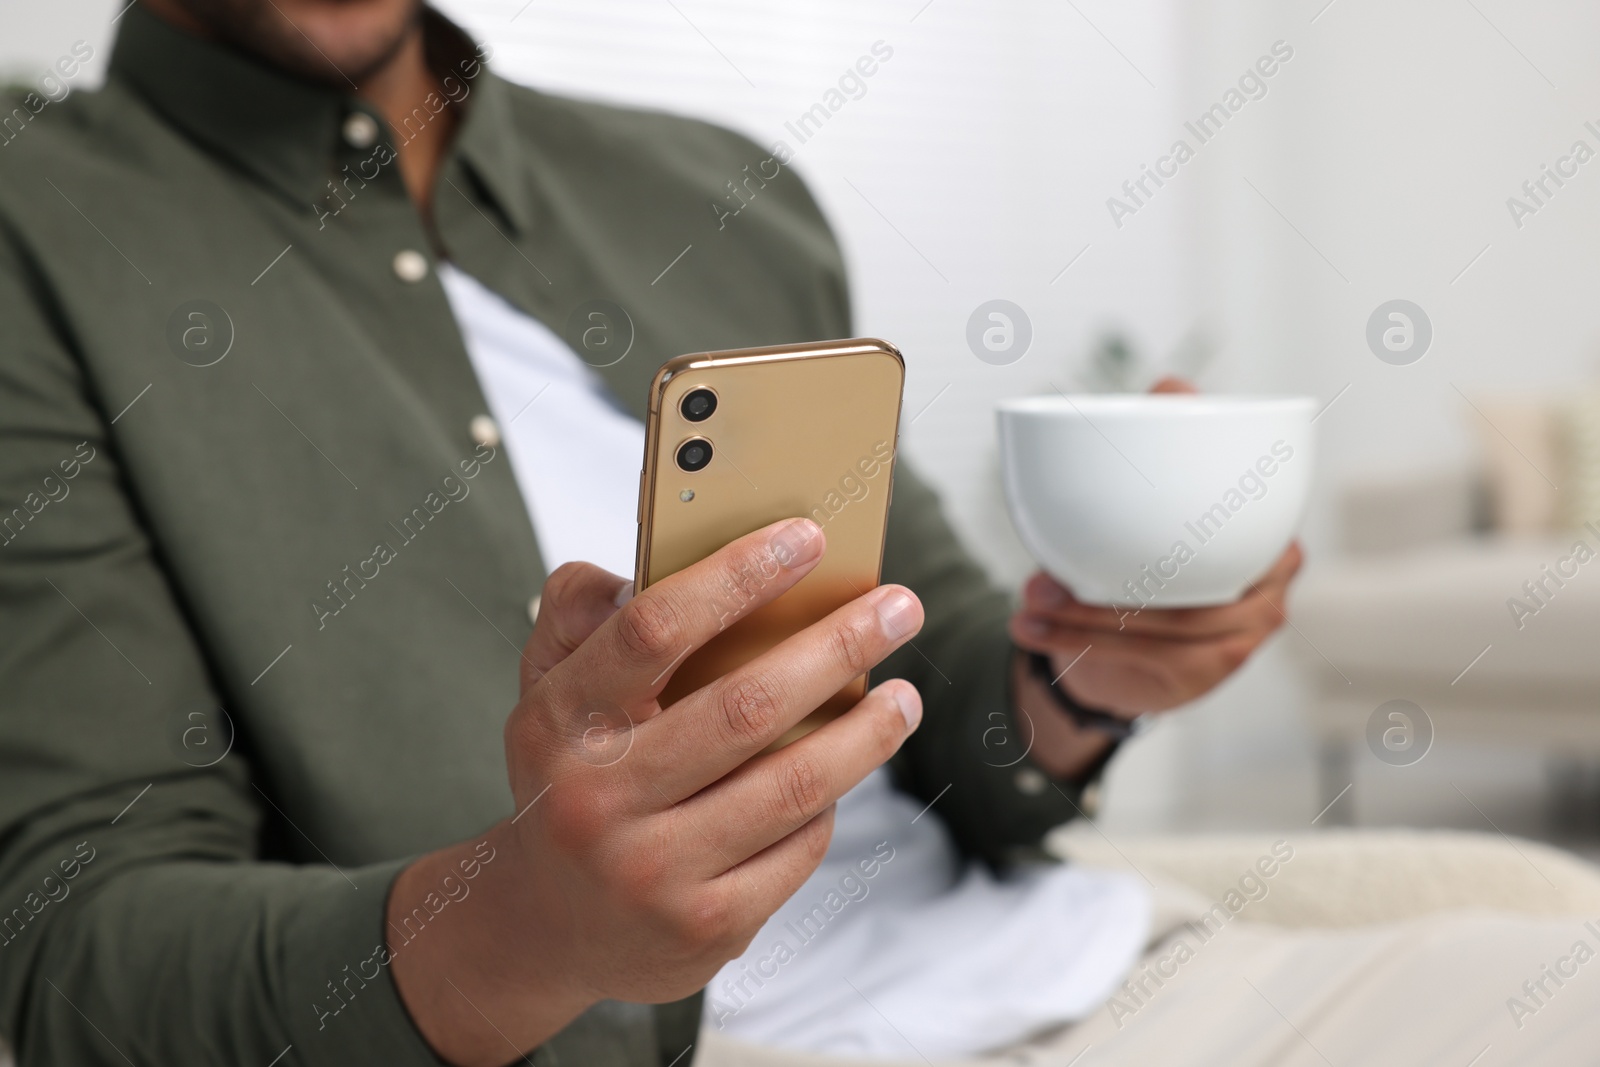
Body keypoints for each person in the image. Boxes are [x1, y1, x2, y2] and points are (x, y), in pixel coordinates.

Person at [2, 3, 1588, 1067]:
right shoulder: (41, 234)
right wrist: (524, 927)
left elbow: (946, 667)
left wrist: (1080, 674)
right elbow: (74, 943)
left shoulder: (714, 191)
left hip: (1102, 976)